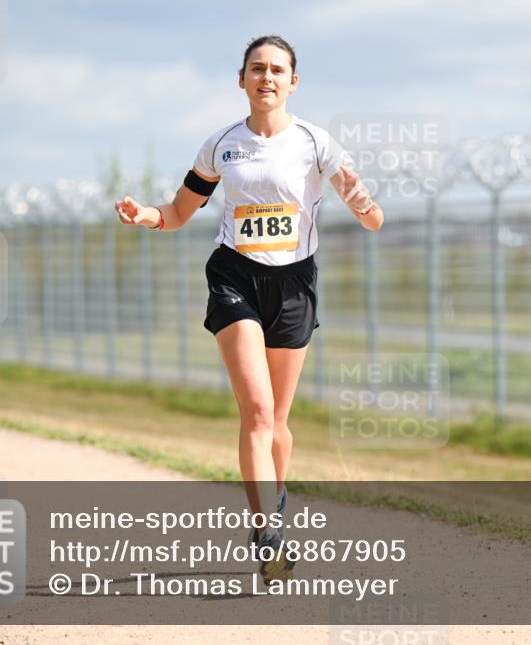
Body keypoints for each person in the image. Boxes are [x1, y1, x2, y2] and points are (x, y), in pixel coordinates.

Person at [115, 35, 383, 583]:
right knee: (257, 412)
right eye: (257, 69)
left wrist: (363, 201)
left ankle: (274, 505)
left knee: (279, 423)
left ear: (293, 82)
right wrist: (146, 214)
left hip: (294, 285)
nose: (267, 78)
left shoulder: (315, 142)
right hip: (234, 277)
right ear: (241, 80)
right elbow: (178, 211)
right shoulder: (221, 145)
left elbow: (369, 215)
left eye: (277, 70)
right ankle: (268, 533)